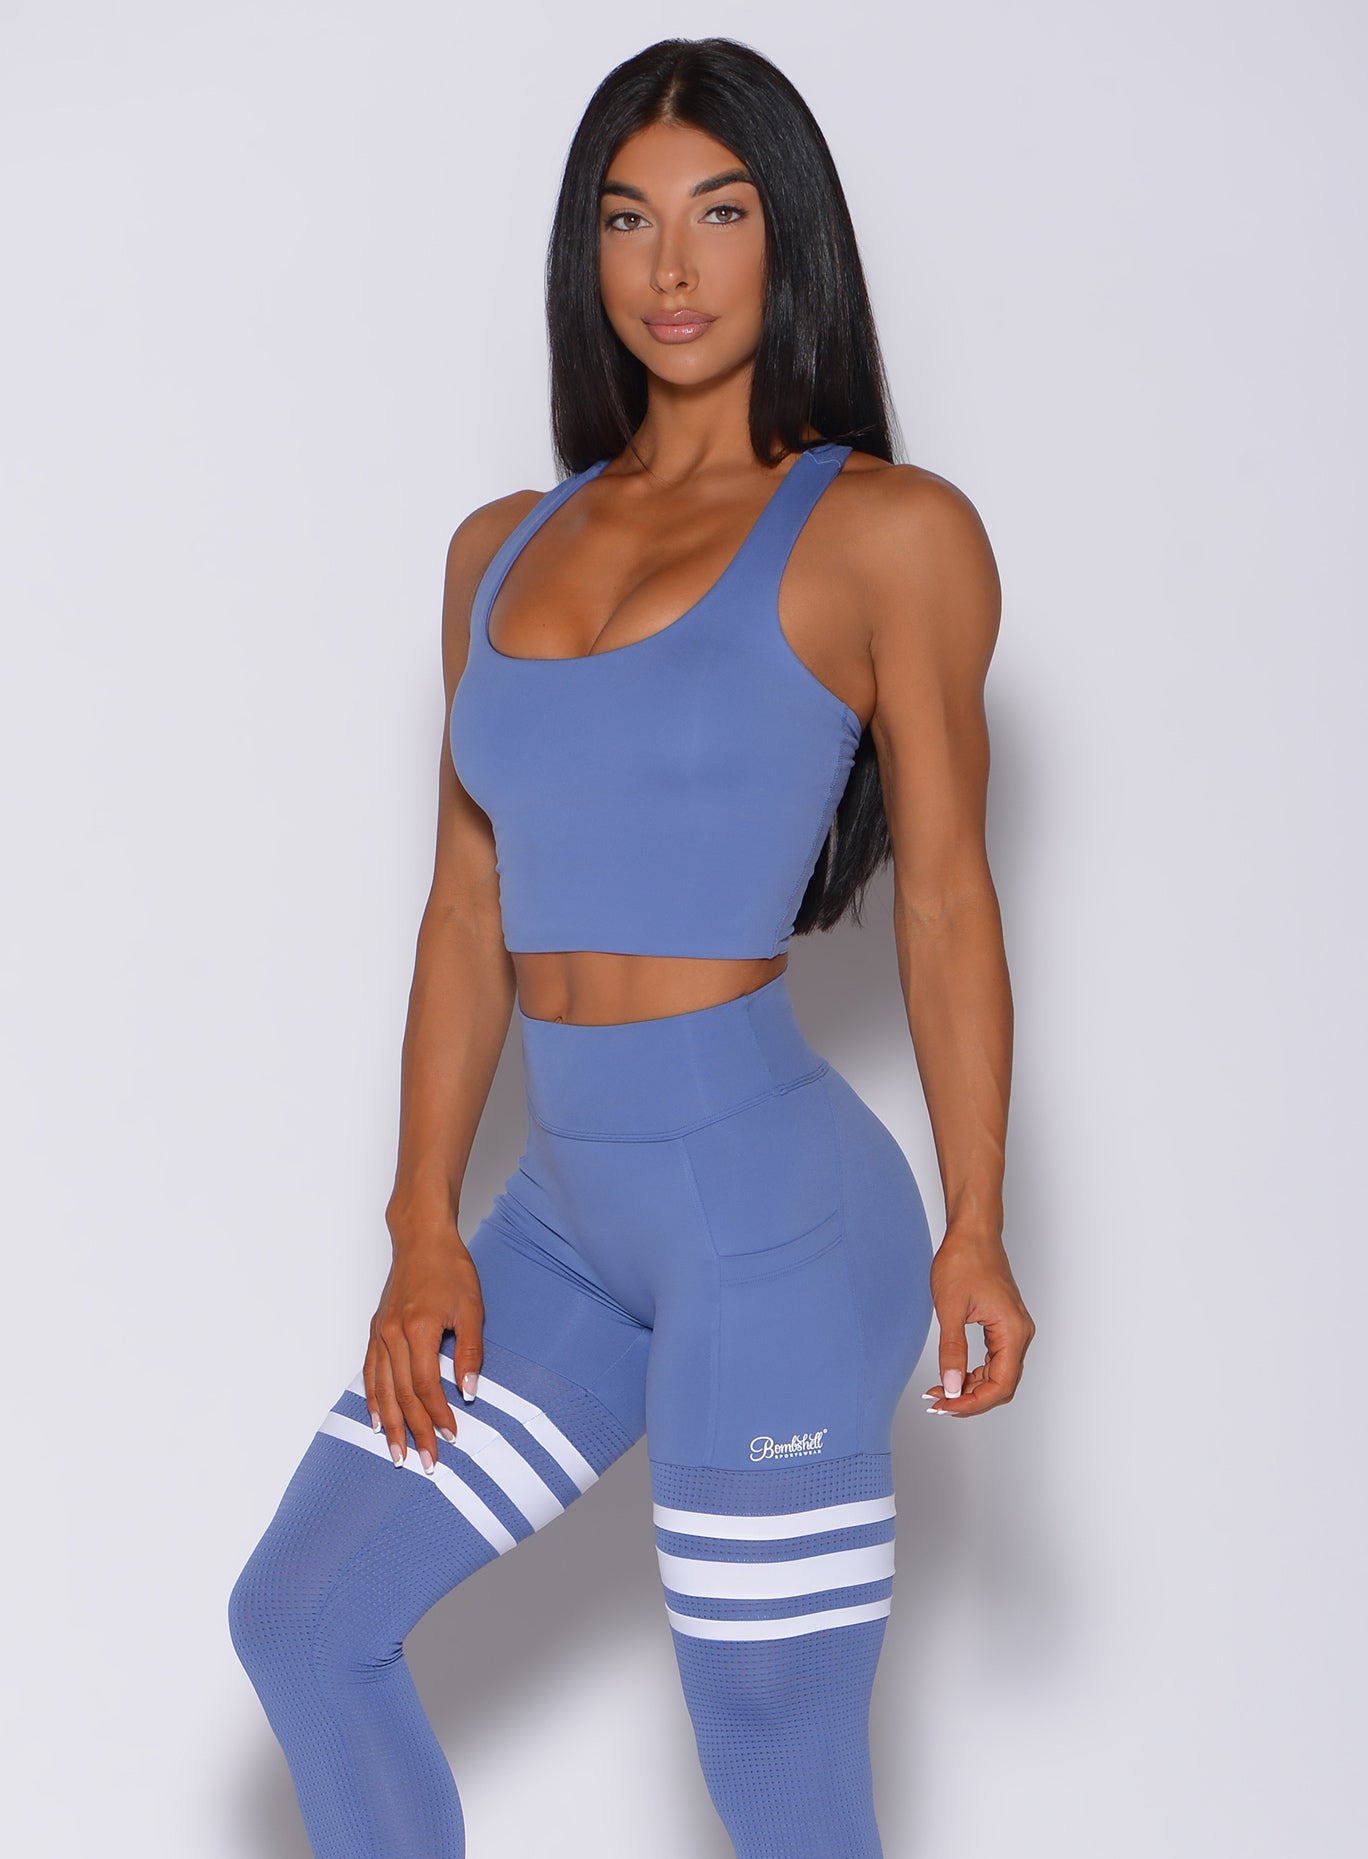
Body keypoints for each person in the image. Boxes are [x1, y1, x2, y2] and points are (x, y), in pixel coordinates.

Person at [227, 34, 1034, 1859]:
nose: (671, 267)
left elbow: (945, 897)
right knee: (308, 1618)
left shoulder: (888, 535)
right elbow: (465, 911)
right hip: (561, 1224)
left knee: (766, 1738)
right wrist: (422, 1223)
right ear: (583, 251)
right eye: (627, 219)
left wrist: (979, 1215)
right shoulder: (497, 552)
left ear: (788, 239)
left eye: (720, 214)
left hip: (775, 1219)